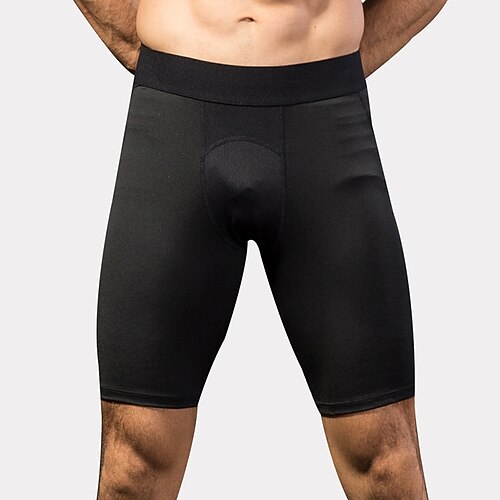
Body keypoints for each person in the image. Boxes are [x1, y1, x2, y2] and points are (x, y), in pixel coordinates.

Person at [74, 1, 447, 498]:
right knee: (133, 469)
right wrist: (155, 48)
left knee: (385, 463)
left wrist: (339, 59)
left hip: (323, 120)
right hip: (175, 114)